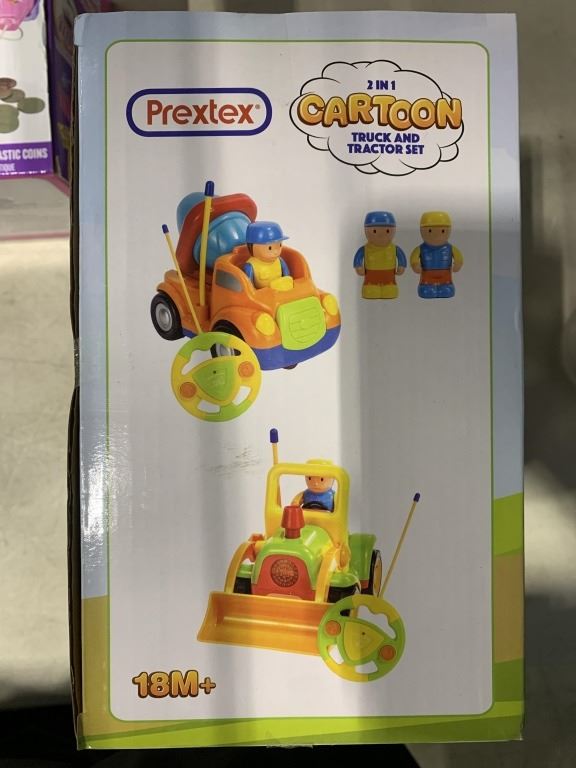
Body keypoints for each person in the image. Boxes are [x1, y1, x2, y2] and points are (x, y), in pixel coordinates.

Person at [353, 211, 406, 299]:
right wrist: (358, 267)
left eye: (387, 231)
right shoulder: (365, 249)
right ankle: (371, 288)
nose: (381, 235)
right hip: (370, 280)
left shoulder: (394, 249)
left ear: (393, 230)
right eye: (374, 231)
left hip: (389, 280)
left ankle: (389, 287)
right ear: (366, 230)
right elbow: (358, 258)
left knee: (390, 290)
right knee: (370, 290)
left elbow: (401, 258)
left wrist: (401, 266)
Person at [410, 211, 463, 298]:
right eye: (430, 231)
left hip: (445, 277)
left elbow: (458, 258)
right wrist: (415, 265)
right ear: (421, 230)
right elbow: (414, 259)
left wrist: (458, 263)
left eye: (442, 231)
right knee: (427, 291)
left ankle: (446, 286)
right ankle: (426, 287)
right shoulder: (420, 249)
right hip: (427, 278)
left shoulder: (451, 248)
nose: (436, 235)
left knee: (447, 290)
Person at [243, 221, 291, 289]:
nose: (276, 252)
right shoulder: (251, 266)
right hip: (263, 293)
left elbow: (287, 276)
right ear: (253, 247)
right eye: (270, 248)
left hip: (280, 290)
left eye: (279, 245)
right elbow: (249, 286)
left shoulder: (280, 261)